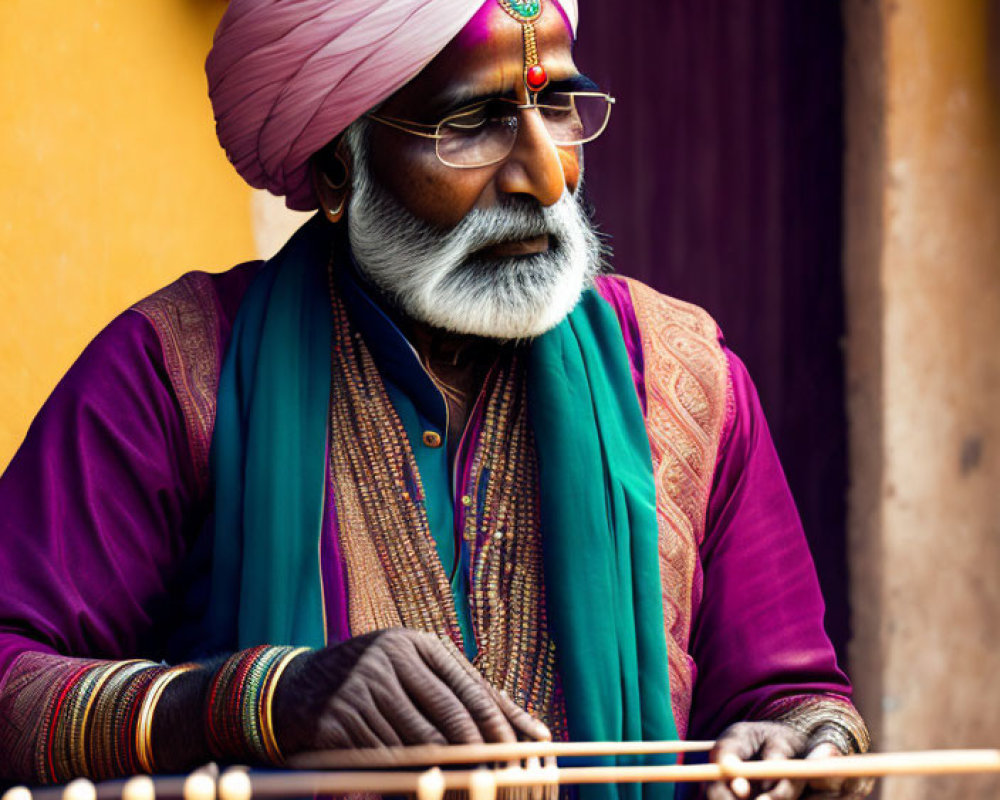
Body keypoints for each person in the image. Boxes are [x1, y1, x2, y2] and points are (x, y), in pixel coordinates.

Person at [0, 2, 871, 799]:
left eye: (559, 108)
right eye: (474, 124)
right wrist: (262, 698)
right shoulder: (171, 372)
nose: (544, 175)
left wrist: (805, 748)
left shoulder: (687, 376)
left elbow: (795, 701)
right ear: (341, 169)